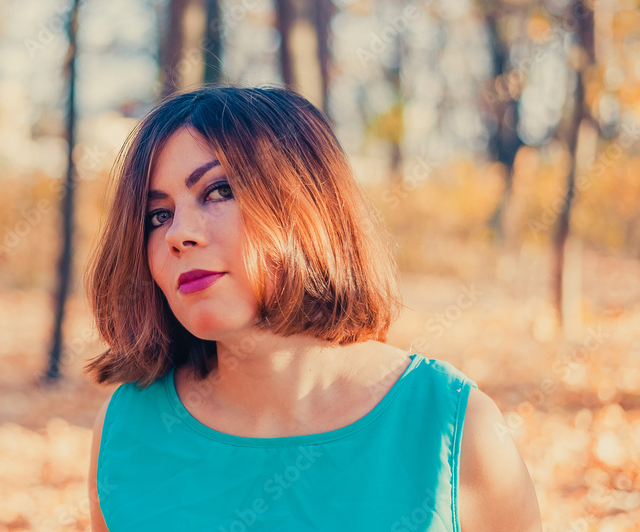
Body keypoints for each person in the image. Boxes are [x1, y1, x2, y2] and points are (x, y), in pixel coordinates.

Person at [84, 86, 542, 531]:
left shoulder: (452, 427)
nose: (177, 234)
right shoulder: (128, 432)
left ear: (307, 206)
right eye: (157, 216)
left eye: (219, 190)